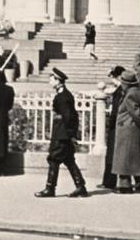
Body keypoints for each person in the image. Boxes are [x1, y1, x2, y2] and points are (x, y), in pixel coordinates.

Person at [35, 68, 89, 197]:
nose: (50, 82)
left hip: (61, 134)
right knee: (69, 160)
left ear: (58, 81)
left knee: (53, 159)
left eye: (51, 79)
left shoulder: (62, 97)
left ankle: (50, 188)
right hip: (64, 133)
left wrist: (70, 134)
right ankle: (80, 186)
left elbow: (69, 116)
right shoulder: (65, 95)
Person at [111, 70, 140, 193]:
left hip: (128, 129)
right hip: (134, 129)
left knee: (124, 158)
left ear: (126, 84)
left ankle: (126, 186)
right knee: (133, 156)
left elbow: (136, 113)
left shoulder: (130, 95)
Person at [101, 66, 125, 189]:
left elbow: (116, 111)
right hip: (116, 125)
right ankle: (108, 181)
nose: (112, 80)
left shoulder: (121, 91)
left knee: (112, 154)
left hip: (116, 126)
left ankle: (109, 181)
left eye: (113, 77)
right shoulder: (119, 90)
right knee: (111, 154)